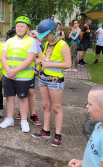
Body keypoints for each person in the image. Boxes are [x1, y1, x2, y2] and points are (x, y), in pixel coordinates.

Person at [32, 19, 71, 147]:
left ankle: (58, 135)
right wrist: (39, 66)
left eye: (46, 35)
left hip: (55, 81)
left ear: (54, 31)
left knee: (56, 108)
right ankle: (46, 130)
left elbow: (68, 64)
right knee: (45, 105)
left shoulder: (63, 45)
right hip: (43, 79)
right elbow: (45, 60)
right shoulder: (47, 44)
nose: (45, 38)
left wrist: (48, 64)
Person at [0, 16, 37, 133]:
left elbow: (29, 60)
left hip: (23, 76)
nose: (19, 28)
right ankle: (9, 119)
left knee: (23, 98)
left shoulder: (32, 41)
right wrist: (9, 72)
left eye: (22, 26)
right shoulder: (9, 41)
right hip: (8, 75)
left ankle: (24, 121)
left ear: (27, 28)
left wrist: (14, 71)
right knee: (9, 97)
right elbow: (3, 57)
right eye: (17, 26)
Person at [14, 24, 42, 126]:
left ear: (29, 30)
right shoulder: (16, 41)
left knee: (30, 92)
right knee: (21, 94)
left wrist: (36, 69)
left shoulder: (33, 41)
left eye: (26, 28)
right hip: (19, 73)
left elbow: (40, 56)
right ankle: (22, 112)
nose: (22, 30)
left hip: (29, 73)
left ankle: (33, 114)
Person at [68, 85, 103, 167]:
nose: (87, 106)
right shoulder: (98, 126)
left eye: (90, 104)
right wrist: (82, 162)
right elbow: (96, 156)